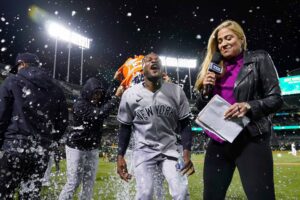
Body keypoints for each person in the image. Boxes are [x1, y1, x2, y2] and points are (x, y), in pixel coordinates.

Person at [194, 20, 283, 200]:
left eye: (229, 38)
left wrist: (249, 106)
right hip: (218, 142)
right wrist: (205, 91)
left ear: (241, 39)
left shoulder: (259, 59)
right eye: (220, 41)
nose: (224, 43)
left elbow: (276, 99)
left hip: (250, 140)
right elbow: (201, 108)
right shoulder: (214, 68)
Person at [117, 52, 195, 200]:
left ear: (162, 68)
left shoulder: (176, 91)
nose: (154, 61)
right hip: (143, 151)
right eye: (149, 60)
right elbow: (125, 127)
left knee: (181, 193)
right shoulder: (130, 94)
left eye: (157, 60)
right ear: (142, 68)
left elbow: (185, 124)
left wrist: (186, 154)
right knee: (145, 193)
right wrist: (120, 156)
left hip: (170, 150)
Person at [0, 52, 68, 199]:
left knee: (4, 194)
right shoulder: (56, 88)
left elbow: (2, 115)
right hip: (40, 152)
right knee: (30, 195)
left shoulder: (12, 81)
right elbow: (62, 122)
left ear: (22, 64)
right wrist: (48, 140)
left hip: (14, 147)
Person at [58, 73, 124, 200]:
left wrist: (116, 80)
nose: (97, 96)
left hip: (92, 148)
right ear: (88, 92)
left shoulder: (98, 100)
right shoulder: (80, 105)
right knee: (74, 182)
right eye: (95, 93)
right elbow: (98, 115)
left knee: (89, 183)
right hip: (76, 147)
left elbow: (108, 96)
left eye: (99, 94)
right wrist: (116, 98)